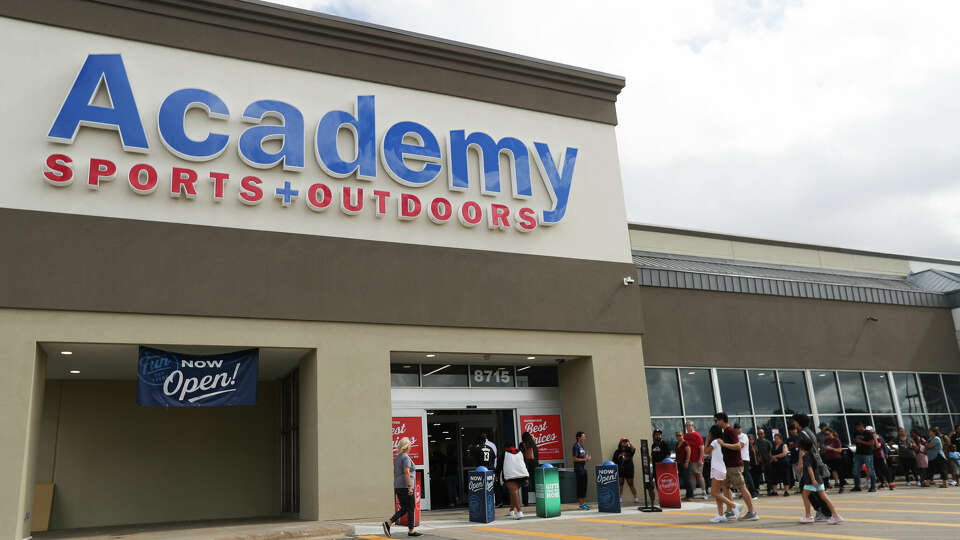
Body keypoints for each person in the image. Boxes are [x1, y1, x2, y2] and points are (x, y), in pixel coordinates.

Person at [714, 412, 759, 520]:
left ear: (721, 420)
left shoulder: (730, 431)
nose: (715, 423)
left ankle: (752, 512)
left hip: (734, 465)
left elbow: (738, 446)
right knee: (725, 487)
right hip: (728, 465)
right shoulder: (725, 432)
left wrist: (724, 444)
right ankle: (730, 511)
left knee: (741, 487)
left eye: (716, 420)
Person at [791, 413, 831, 521]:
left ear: (799, 422)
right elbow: (815, 446)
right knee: (812, 488)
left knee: (810, 488)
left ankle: (824, 512)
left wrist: (800, 463)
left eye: (794, 421)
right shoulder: (810, 431)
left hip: (809, 462)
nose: (793, 423)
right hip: (816, 461)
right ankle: (823, 511)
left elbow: (802, 449)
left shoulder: (802, 433)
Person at [797, 437, 844, 525]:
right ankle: (836, 516)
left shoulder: (806, 456)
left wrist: (813, 480)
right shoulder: (814, 454)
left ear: (802, 447)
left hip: (812, 481)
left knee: (805, 495)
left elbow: (809, 469)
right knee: (824, 497)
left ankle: (808, 516)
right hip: (819, 479)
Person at [384, 437, 422, 537]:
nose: (410, 447)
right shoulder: (405, 457)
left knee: (405, 508)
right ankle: (411, 530)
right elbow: (406, 472)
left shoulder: (397, 457)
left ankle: (388, 523)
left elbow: (395, 472)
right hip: (405, 486)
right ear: (407, 446)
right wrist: (409, 487)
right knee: (411, 507)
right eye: (410, 445)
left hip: (398, 486)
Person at [706, 424, 737, 523]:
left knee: (714, 493)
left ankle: (734, 505)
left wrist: (707, 440)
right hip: (721, 468)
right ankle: (720, 515)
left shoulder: (715, 442)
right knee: (718, 493)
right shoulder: (722, 441)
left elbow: (705, 451)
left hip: (717, 469)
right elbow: (712, 454)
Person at [497, 443, 530, 519]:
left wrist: (497, 475)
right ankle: (511, 511)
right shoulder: (520, 452)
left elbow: (499, 466)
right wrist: (526, 476)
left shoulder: (504, 454)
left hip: (510, 476)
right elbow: (525, 463)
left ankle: (519, 512)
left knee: (514, 492)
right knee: (513, 492)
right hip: (522, 475)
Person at [684, 421, 707, 500]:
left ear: (693, 426)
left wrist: (700, 459)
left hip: (697, 460)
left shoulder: (697, 435)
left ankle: (704, 491)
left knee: (699, 475)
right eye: (686, 426)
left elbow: (702, 448)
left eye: (689, 425)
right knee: (692, 476)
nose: (688, 427)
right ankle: (693, 491)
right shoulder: (685, 436)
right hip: (690, 460)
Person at [851, 422, 877, 492]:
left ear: (861, 426)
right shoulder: (856, 433)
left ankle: (873, 486)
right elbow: (854, 441)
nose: (857, 429)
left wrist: (861, 441)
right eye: (856, 428)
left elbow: (872, 443)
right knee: (856, 470)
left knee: (870, 470)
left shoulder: (868, 433)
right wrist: (855, 441)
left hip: (867, 454)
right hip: (858, 453)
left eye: (858, 427)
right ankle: (857, 486)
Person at [735, 424, 759, 499]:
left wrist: (732, 446)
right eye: (736, 429)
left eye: (738, 428)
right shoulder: (735, 436)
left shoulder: (743, 436)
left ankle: (753, 493)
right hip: (738, 459)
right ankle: (745, 493)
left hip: (744, 458)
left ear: (740, 429)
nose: (737, 430)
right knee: (741, 477)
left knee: (747, 475)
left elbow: (740, 445)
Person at [612, 438, 639, 503]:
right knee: (621, 483)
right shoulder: (617, 451)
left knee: (631, 483)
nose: (624, 443)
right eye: (623, 442)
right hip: (620, 468)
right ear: (620, 443)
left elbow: (634, 449)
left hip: (629, 469)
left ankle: (635, 497)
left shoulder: (629, 450)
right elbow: (614, 461)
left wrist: (630, 443)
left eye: (626, 442)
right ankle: (620, 497)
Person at [481, 433, 503, 508]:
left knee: (485, 485)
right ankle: (498, 501)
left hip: (484, 468)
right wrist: (495, 467)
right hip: (492, 467)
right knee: (494, 485)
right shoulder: (492, 445)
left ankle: (488, 502)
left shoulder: (479, 446)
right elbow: (495, 457)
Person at [648, 429, 669, 503]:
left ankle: (665, 498)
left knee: (663, 483)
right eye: (656, 434)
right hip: (655, 467)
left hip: (662, 467)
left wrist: (665, 464)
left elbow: (668, 455)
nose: (658, 436)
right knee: (655, 483)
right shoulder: (653, 445)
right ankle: (658, 498)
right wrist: (650, 466)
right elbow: (652, 456)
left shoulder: (664, 443)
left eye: (659, 434)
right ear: (654, 436)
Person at [572, 431, 592, 510]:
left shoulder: (581, 446)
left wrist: (586, 458)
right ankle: (581, 504)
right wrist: (584, 459)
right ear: (578, 437)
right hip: (579, 470)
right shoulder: (576, 446)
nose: (584, 438)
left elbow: (582, 457)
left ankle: (583, 503)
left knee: (584, 486)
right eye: (583, 437)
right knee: (580, 486)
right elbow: (574, 458)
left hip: (583, 469)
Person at [519, 432, 539, 507]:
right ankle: (538, 499)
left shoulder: (522, 445)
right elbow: (537, 456)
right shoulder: (534, 445)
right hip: (534, 465)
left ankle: (526, 502)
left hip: (525, 466)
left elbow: (520, 456)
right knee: (535, 483)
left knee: (525, 483)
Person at [823, 428, 845, 493]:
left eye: (828, 434)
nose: (827, 435)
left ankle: (842, 486)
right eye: (826, 434)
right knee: (827, 472)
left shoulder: (836, 440)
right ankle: (826, 486)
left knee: (840, 472)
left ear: (832, 433)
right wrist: (825, 448)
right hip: (828, 458)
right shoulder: (826, 440)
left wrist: (831, 448)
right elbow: (825, 447)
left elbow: (840, 450)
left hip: (836, 458)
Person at [755, 429, 774, 496]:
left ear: (764, 434)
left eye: (761, 433)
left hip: (767, 461)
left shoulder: (768, 442)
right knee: (757, 477)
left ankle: (769, 490)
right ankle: (757, 491)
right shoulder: (755, 442)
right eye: (759, 434)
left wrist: (771, 459)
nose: (760, 435)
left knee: (769, 476)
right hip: (758, 462)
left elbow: (770, 452)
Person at [675, 430, 692, 500]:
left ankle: (690, 496)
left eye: (680, 435)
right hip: (679, 463)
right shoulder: (677, 444)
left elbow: (688, 452)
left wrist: (687, 462)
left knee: (687, 479)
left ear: (683, 436)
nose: (679, 437)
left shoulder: (685, 443)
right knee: (683, 480)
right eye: (677, 435)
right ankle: (687, 495)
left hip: (685, 463)